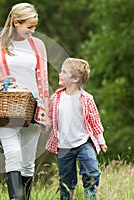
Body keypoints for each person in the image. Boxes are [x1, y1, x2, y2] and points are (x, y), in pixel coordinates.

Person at [0, 3, 49, 200]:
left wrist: (46, 111)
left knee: (28, 162)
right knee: (12, 154)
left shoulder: (38, 46)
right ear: (15, 22)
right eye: (29, 26)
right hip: (5, 106)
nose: (32, 31)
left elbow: (43, 80)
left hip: (32, 108)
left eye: (34, 26)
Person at [45, 58, 107, 200]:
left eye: (64, 72)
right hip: (63, 146)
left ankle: (91, 196)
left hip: (83, 142)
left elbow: (95, 121)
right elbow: (49, 120)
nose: (60, 74)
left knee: (92, 171)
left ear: (75, 78)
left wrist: (101, 141)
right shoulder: (55, 98)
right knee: (66, 181)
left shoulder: (86, 99)